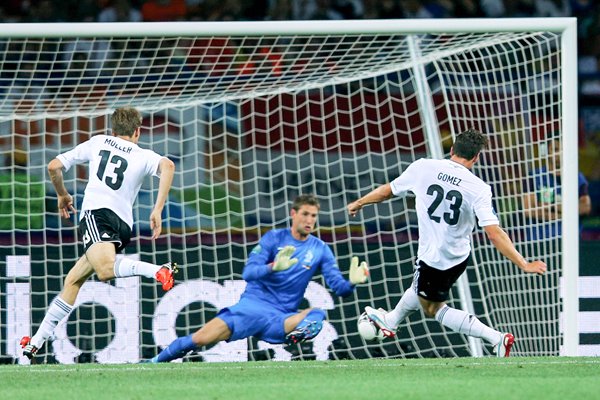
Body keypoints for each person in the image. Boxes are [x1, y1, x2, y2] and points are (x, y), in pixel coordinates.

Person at [347, 129, 547, 357]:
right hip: (458, 257)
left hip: (434, 258)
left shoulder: (424, 167)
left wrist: (360, 203)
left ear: (451, 150)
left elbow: (388, 191)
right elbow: (494, 233)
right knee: (420, 289)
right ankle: (390, 321)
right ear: (476, 158)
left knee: (432, 308)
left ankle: (497, 338)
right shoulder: (479, 188)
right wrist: (523, 263)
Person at [20, 106, 178, 360]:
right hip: (123, 225)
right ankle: (34, 344)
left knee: (105, 270)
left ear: (112, 130)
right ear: (138, 131)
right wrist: (157, 209)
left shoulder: (98, 142)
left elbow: (53, 166)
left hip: (96, 215)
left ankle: (159, 270)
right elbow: (168, 166)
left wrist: (62, 194)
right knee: (73, 280)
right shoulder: (143, 154)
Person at [145, 194, 369, 363]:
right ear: (293, 214)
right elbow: (248, 273)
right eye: (305, 214)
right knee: (200, 339)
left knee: (317, 314)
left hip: (280, 319)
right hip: (251, 308)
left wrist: (352, 283)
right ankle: (153, 363)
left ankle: (293, 339)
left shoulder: (320, 249)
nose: (309, 220)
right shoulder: (274, 238)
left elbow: (339, 289)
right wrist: (273, 266)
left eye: (313, 216)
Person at [522, 136, 592, 240]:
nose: (559, 154)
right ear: (546, 151)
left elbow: (585, 207)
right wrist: (568, 213)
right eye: (555, 149)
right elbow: (529, 210)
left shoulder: (577, 177)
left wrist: (550, 207)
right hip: (539, 241)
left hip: (570, 241)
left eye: (563, 149)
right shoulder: (533, 176)